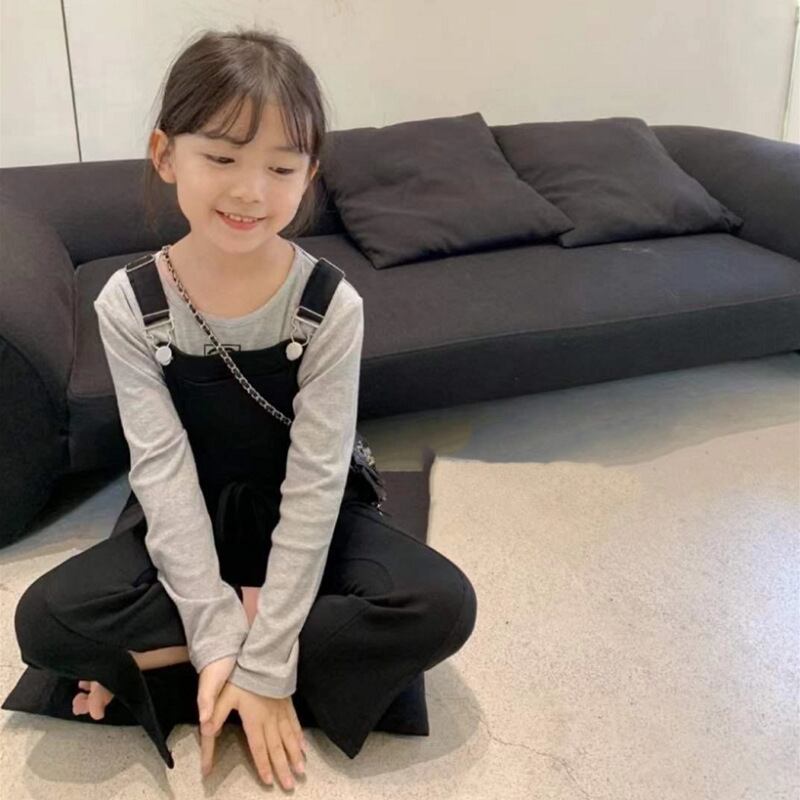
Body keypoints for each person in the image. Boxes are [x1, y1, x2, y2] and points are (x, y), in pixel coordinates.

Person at [1, 27, 477, 790]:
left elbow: (317, 483)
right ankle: (223, 645)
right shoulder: (130, 302)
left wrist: (266, 659)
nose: (251, 191)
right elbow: (160, 472)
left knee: (441, 606)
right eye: (222, 158)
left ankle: (174, 659)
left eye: (281, 167)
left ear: (309, 174)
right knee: (45, 620)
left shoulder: (330, 305)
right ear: (166, 155)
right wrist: (222, 631)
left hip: (308, 510)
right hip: (190, 509)